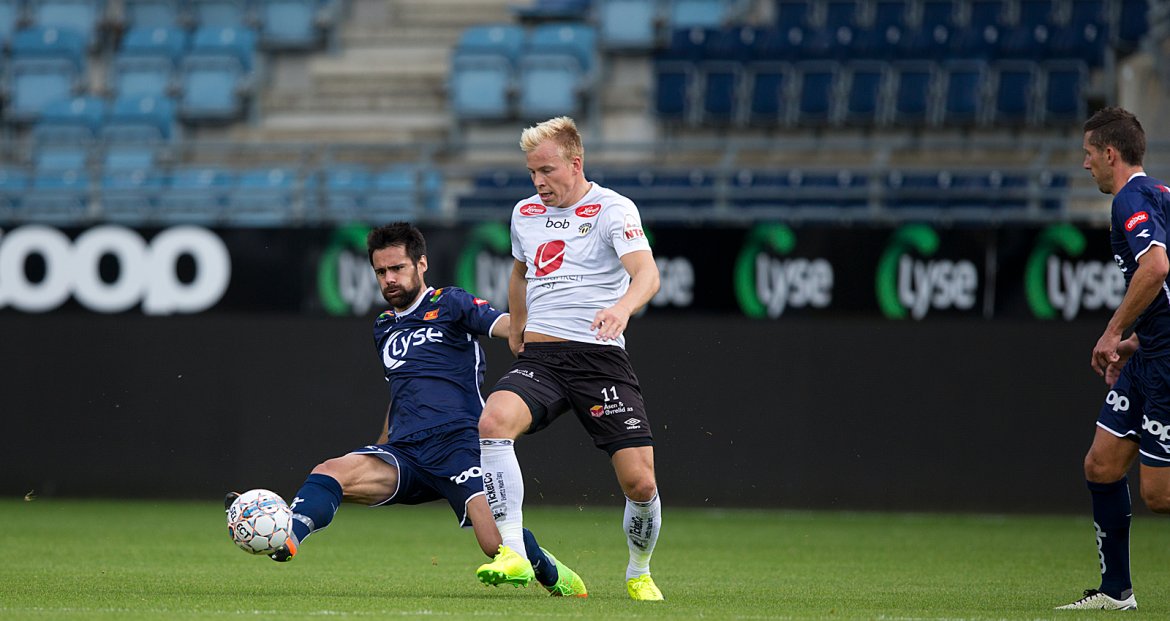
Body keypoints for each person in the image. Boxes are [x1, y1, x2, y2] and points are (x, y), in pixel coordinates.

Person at [226, 222, 587, 597]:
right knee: (330, 471)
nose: (389, 279)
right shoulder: (383, 327)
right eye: (381, 271)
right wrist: (381, 444)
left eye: (397, 268)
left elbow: (505, 324)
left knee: (495, 545)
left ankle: (550, 570)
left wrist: (553, 333)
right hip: (406, 453)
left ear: (421, 264)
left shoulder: (450, 303)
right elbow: (403, 391)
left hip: (459, 446)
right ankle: (287, 539)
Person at [473, 116, 665, 601]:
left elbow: (646, 274)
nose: (539, 182)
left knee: (640, 483)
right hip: (542, 357)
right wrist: (517, 324)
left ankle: (638, 571)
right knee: (493, 421)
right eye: (531, 173)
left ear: (575, 163)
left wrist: (622, 308)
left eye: (547, 171)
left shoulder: (613, 209)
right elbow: (519, 275)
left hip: (599, 360)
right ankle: (513, 550)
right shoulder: (525, 213)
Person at [1058, 107, 1170, 611]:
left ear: (1110, 153)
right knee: (1101, 465)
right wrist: (1137, 341)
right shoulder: (1161, 197)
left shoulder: (1132, 196)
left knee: (1160, 495)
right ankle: (1115, 592)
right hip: (1151, 355)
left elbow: (1156, 268)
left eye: (1088, 154)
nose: (1085, 165)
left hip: (1166, 364)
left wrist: (1112, 330)